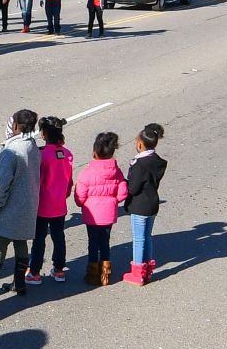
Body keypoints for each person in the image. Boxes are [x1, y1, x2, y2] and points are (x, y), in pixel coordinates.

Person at [0, 108, 42, 298]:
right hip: (28, 205)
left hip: (10, 206)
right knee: (21, 242)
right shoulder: (33, 146)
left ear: (16, 126)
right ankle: (19, 284)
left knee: (0, 243)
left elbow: (0, 184)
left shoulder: (11, 152)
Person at [74, 130, 127, 286]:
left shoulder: (87, 172)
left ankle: (92, 273)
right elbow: (123, 191)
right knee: (105, 242)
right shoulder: (116, 171)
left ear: (94, 152)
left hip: (92, 216)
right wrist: (113, 201)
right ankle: (105, 274)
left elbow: (80, 195)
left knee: (93, 243)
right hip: (108, 214)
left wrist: (82, 204)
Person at [28, 115, 74, 282]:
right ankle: (59, 268)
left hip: (42, 204)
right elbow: (69, 180)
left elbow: (36, 180)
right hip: (59, 204)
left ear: (44, 133)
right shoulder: (67, 153)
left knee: (39, 239)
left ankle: (35, 272)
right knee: (58, 236)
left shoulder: (41, 154)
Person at [124, 122, 168, 284]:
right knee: (147, 237)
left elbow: (133, 188)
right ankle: (148, 270)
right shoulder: (157, 161)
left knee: (138, 239)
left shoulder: (139, 165)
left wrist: (124, 182)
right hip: (152, 203)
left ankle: (137, 273)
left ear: (140, 144)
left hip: (140, 205)